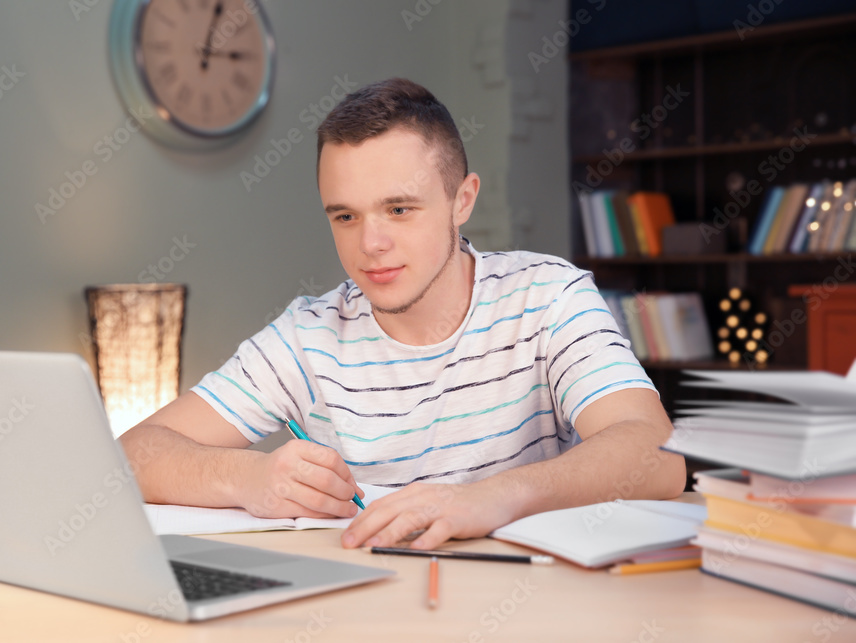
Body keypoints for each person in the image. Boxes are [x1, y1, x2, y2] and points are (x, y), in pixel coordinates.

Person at [119, 77, 686, 550]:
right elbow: (133, 453)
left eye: (398, 209)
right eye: (345, 216)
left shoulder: (547, 297)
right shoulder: (308, 335)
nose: (371, 244)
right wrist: (248, 477)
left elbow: (656, 455)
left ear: (462, 200)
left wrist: (493, 497)